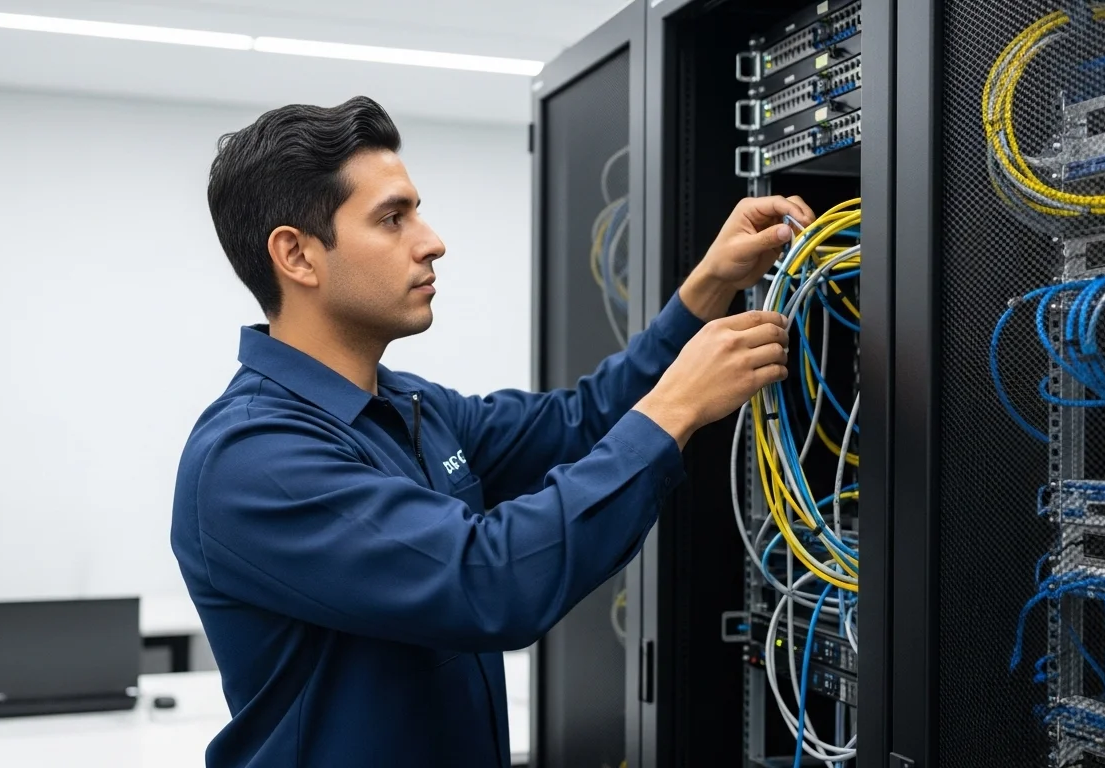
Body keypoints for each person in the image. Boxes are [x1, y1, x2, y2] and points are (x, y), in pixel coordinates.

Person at [171, 95, 814, 767]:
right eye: (393, 218)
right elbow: (485, 583)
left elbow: (580, 423)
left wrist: (707, 289)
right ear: (297, 256)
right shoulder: (254, 458)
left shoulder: (409, 406)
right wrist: (675, 408)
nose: (431, 240)